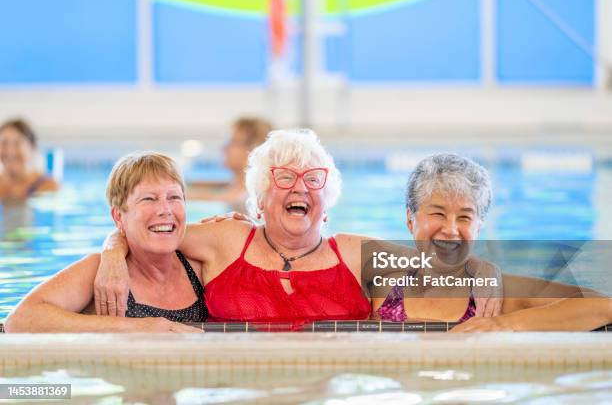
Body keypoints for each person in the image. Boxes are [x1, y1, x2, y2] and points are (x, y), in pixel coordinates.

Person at [95, 130, 501, 323]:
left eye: (313, 178)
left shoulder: (357, 253)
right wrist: (113, 251)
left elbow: (439, 258)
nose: (300, 187)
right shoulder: (225, 240)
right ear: (258, 198)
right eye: (284, 178)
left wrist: (485, 270)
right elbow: (153, 229)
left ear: (327, 199)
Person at [373, 153, 611, 331]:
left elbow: (603, 306)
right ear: (409, 219)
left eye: (465, 217)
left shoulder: (495, 297)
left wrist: (502, 324)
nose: (451, 229)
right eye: (438, 214)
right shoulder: (381, 285)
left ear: (479, 226)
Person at [4, 152, 205, 332]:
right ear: (118, 217)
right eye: (149, 199)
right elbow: (20, 320)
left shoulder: (202, 268)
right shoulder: (100, 271)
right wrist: (139, 327)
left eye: (174, 197)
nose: (165, 209)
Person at [188, 117, 272, 211]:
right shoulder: (231, 189)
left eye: (232, 142)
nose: (224, 148)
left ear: (253, 148)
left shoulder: (255, 199)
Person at [0, 118, 58, 200]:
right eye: (4, 143)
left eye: (17, 144)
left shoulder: (47, 186)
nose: (10, 151)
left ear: (32, 148)